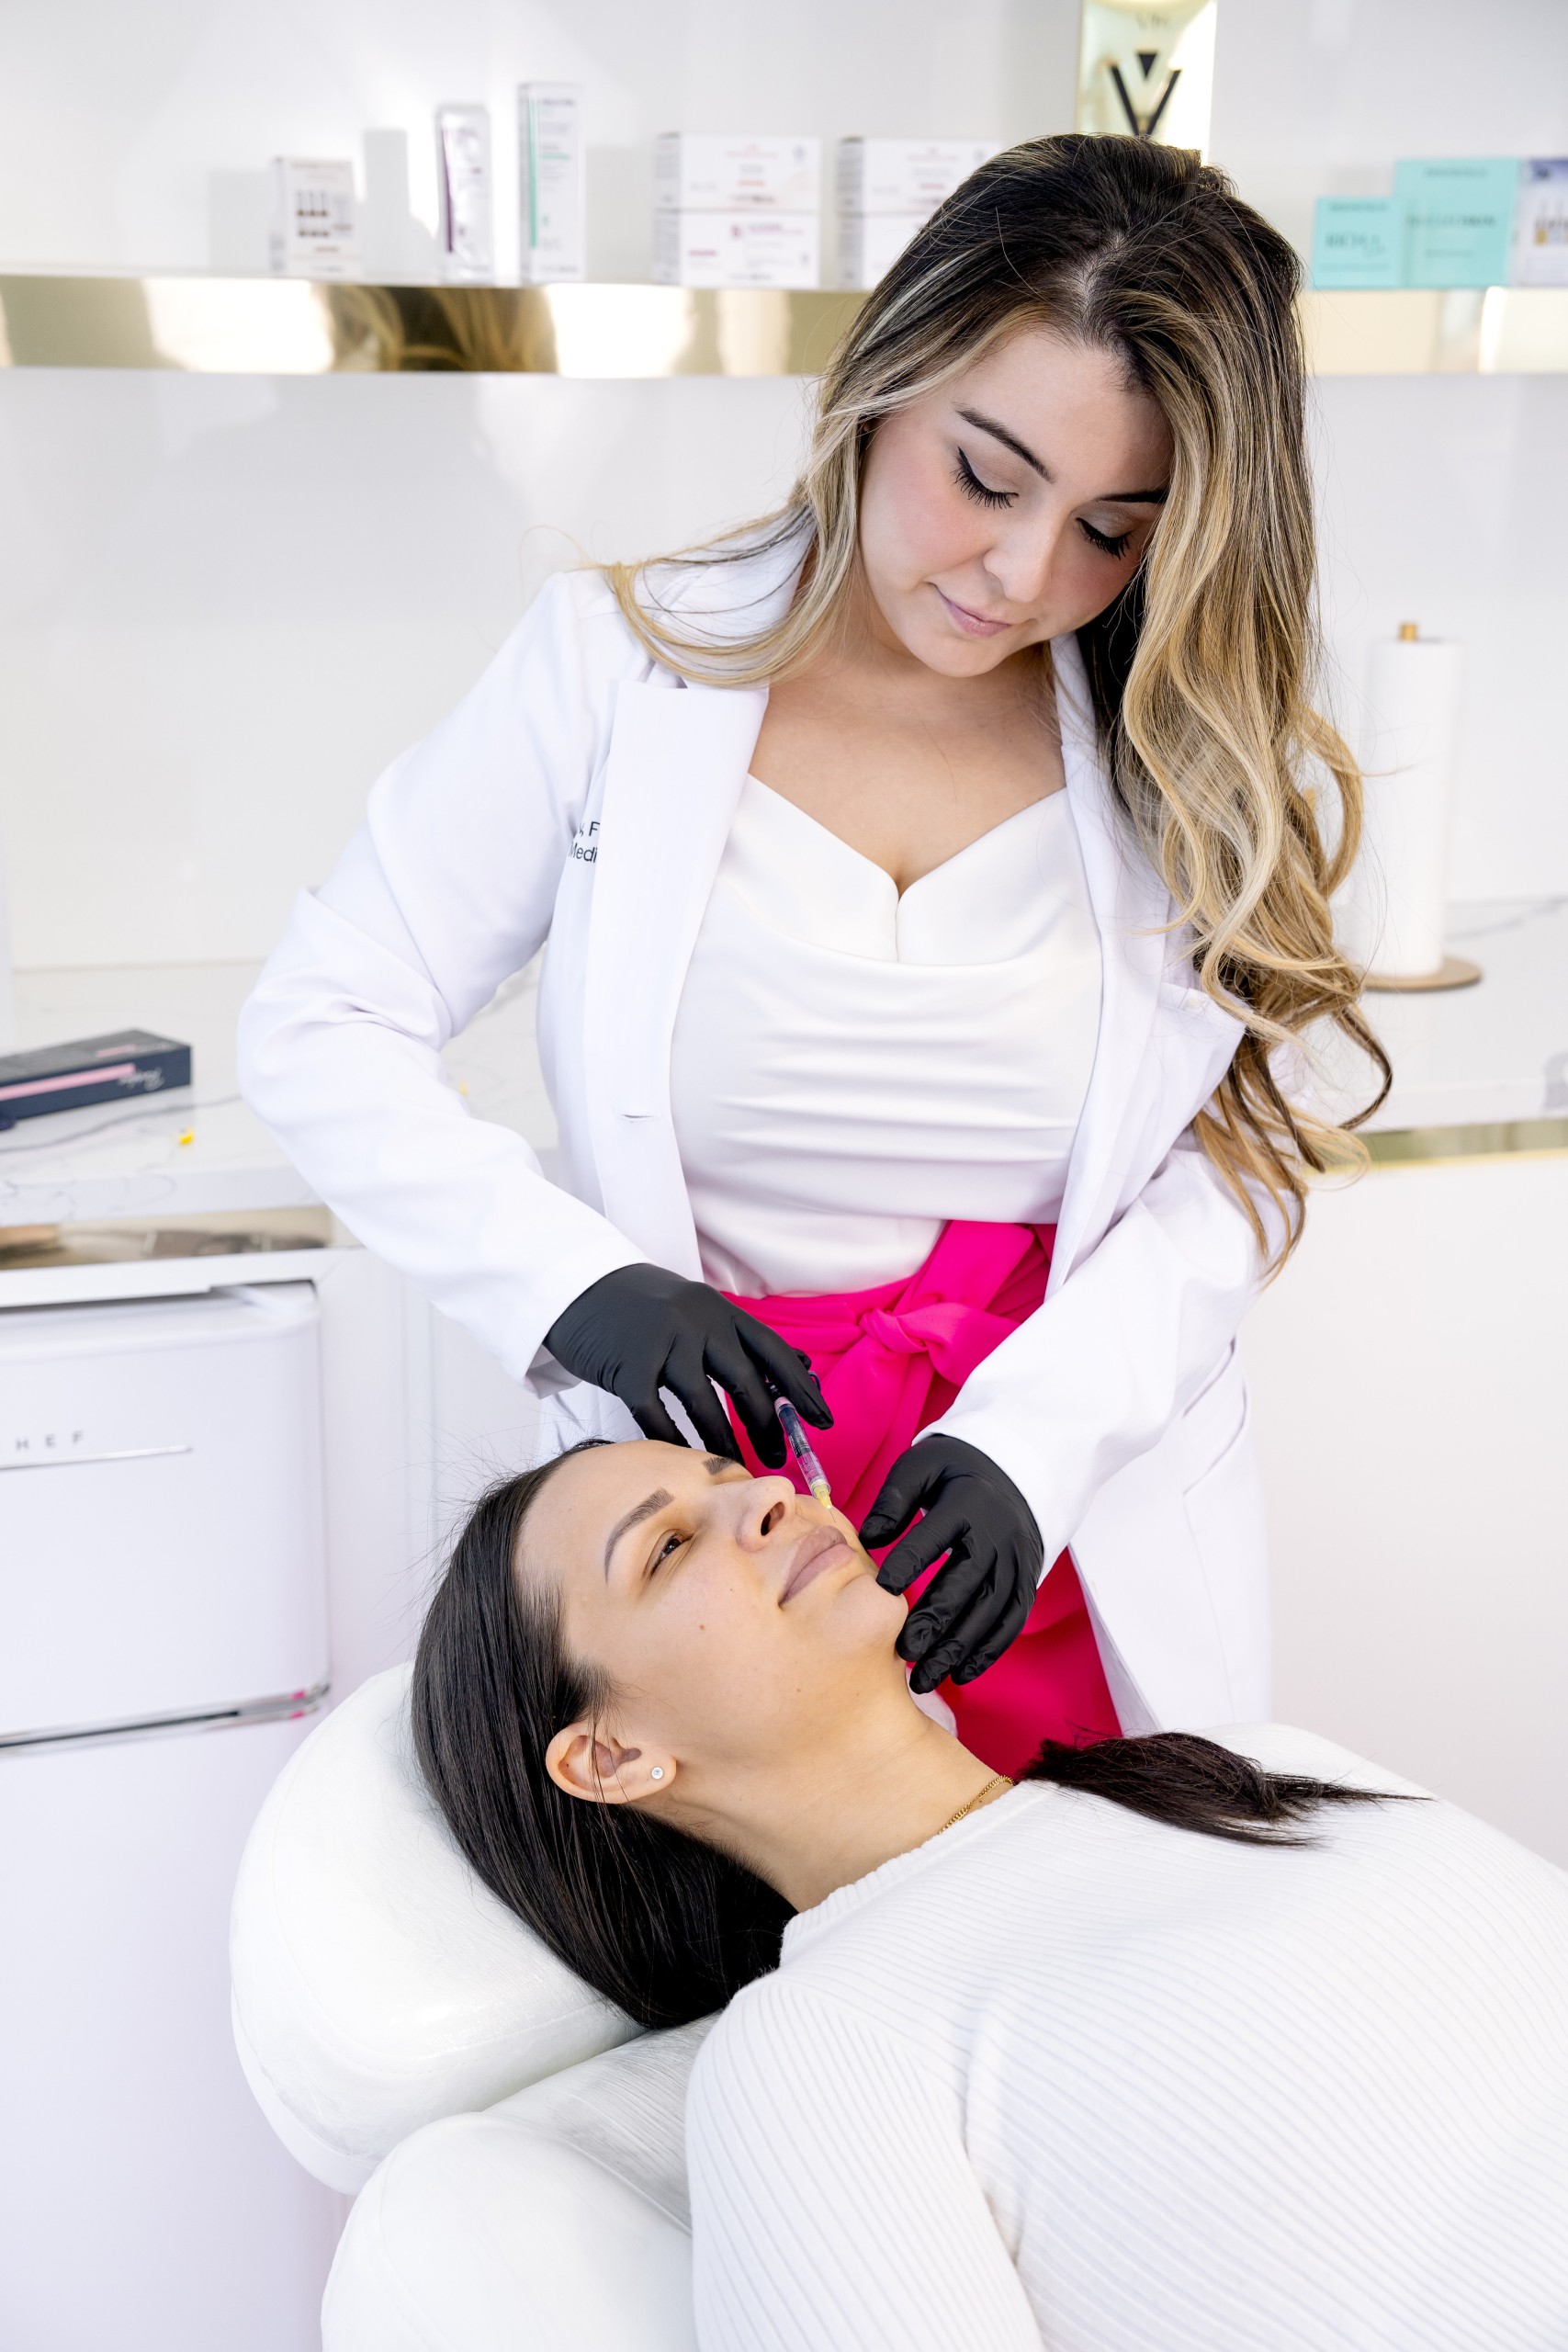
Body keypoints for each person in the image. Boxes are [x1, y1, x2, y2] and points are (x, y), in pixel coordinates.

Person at [240, 134, 1387, 1770]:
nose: (1020, 576)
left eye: (1109, 530)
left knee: (1067, 1910)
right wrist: (575, 1286)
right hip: (718, 1538)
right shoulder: (617, 669)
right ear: (882, 377)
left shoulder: (1182, 745)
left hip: (1029, 1525)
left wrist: (1037, 1441)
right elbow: (323, 1016)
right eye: (984, 477)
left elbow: (1239, 1157)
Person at [414, 1438, 1568, 2352]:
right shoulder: (814, 2047)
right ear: (612, 1757)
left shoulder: (1245, 1766)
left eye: (733, 1475)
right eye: (666, 1547)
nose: (768, 1496)